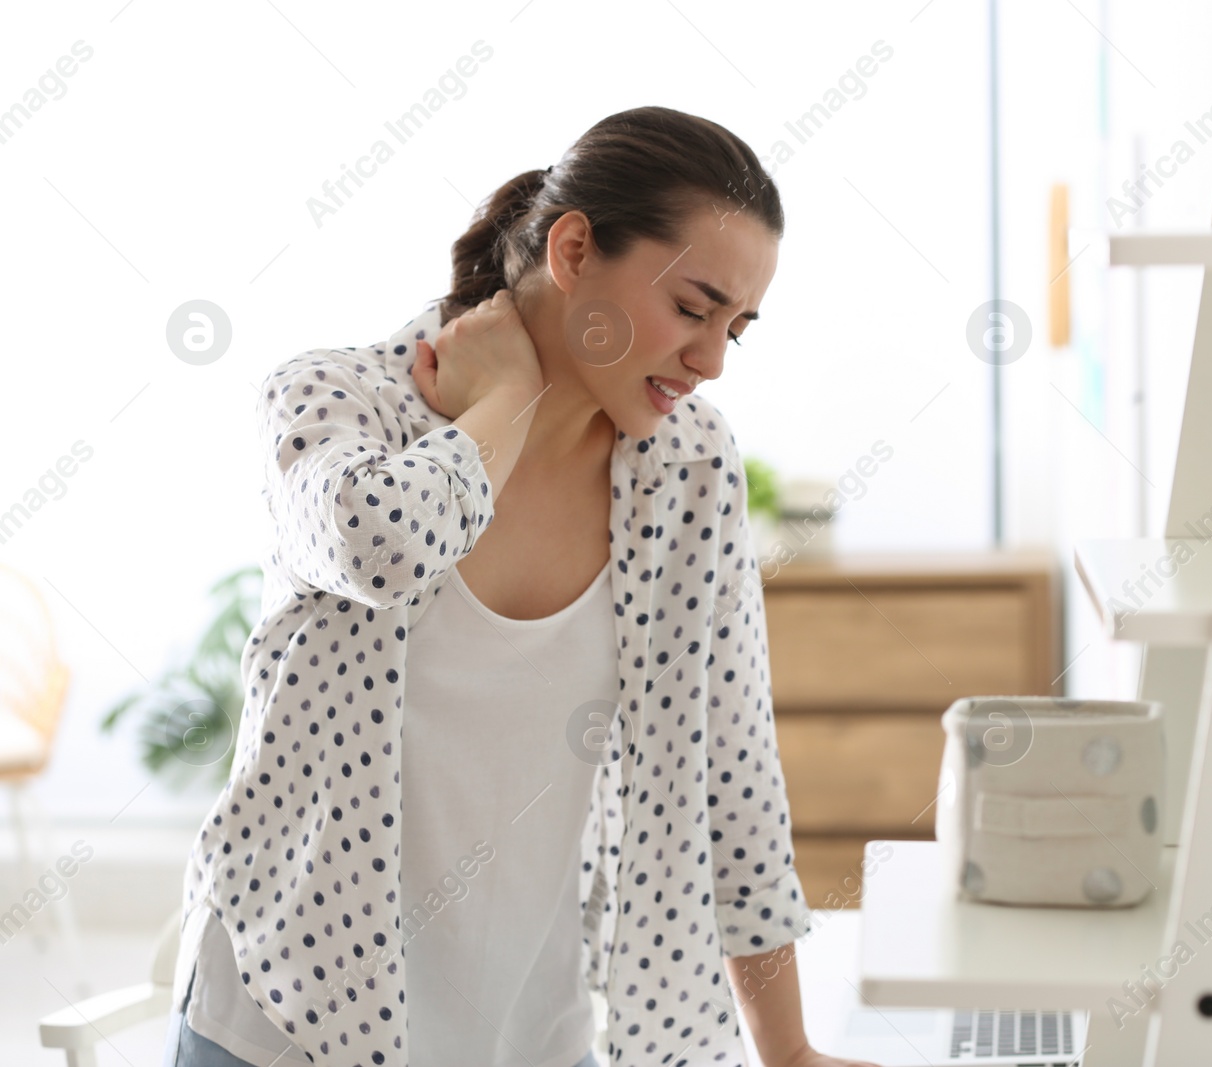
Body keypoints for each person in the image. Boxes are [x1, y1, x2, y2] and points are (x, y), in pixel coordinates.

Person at [161, 105, 881, 1067]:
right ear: (574, 247)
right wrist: (502, 404)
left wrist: (788, 1052)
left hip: (535, 1034)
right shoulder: (339, 402)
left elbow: (732, 768)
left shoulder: (687, 469)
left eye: (735, 331)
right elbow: (380, 547)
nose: (710, 362)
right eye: (694, 308)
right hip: (291, 1023)